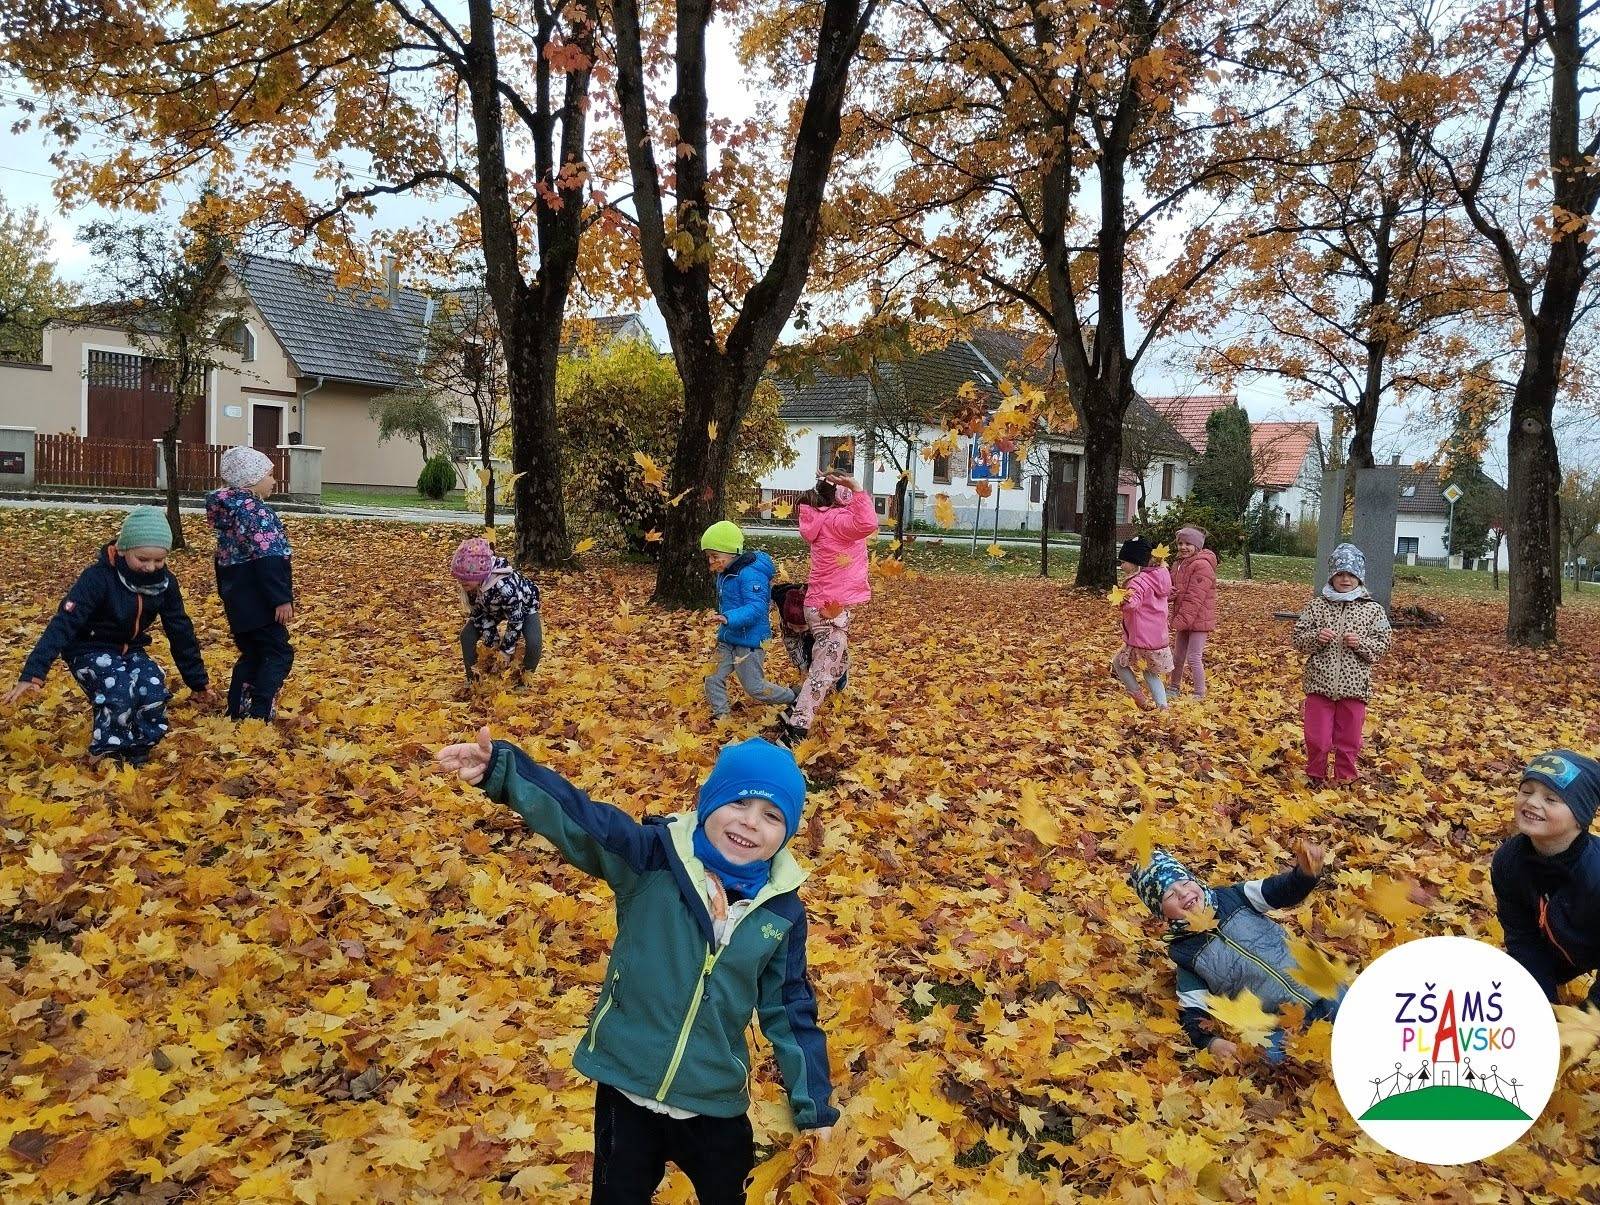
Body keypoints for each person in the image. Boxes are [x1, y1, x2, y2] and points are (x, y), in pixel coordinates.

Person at [434, 729, 838, 1203]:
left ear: (786, 833)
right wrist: (504, 771)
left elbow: (790, 1010)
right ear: (709, 802)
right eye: (739, 803)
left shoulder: (780, 911)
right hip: (626, 1089)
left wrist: (814, 1107)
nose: (751, 823)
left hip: (713, 1097)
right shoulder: (652, 859)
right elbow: (581, 820)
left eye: (772, 816)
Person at [6, 507, 210, 765]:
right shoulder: (98, 578)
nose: (151, 567)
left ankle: (140, 745)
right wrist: (33, 673)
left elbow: (180, 629)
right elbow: (64, 623)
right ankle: (108, 751)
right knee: (118, 689)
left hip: (130, 648)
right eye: (143, 559)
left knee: (153, 688)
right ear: (123, 550)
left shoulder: (165, 583)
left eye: (159, 560)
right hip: (88, 648)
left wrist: (197, 681)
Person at [1129, 841, 1343, 1063]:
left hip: (1320, 990)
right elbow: (1192, 1012)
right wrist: (1211, 1042)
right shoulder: (1185, 953)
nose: (1183, 893)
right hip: (1282, 1024)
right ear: (1161, 913)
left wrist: (1304, 875)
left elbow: (1281, 890)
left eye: (1184, 883)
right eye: (1170, 895)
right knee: (1263, 1058)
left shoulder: (1235, 897)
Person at [1491, 750, 1600, 1011]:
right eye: (1526, 791)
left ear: (1580, 817)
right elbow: (1523, 939)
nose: (1532, 802)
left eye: (1551, 799)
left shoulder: (1595, 874)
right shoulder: (1509, 861)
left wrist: (1586, 1019)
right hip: (1563, 948)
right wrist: (1542, 1008)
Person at [779, 474, 877, 745]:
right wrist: (858, 490)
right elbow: (868, 523)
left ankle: (792, 712)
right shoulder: (837, 522)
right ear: (841, 497)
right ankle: (796, 730)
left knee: (839, 661)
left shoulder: (822, 520)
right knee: (822, 672)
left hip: (822, 606)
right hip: (829, 611)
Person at [1290, 543, 1391, 785]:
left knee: (1350, 738)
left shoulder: (1373, 610)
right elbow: (1298, 638)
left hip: (1354, 687)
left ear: (1360, 577)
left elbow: (1383, 644)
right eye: (1340, 574)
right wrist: (1316, 638)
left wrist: (1361, 644)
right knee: (1317, 737)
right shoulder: (1317, 606)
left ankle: (1345, 777)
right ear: (1332, 576)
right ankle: (1315, 774)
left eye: (1351, 575)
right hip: (1319, 683)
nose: (1345, 579)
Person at [206, 446, 294, 720]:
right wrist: (281, 598)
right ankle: (260, 709)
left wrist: (228, 596)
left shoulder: (229, 515)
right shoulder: (257, 514)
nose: (274, 481)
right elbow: (270, 559)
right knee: (277, 653)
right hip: (261, 601)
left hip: (238, 600)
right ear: (251, 480)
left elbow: (221, 561)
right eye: (269, 475)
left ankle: (238, 708)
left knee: (253, 653)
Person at [700, 521, 794, 719]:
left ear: (732, 552)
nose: (711, 561)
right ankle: (721, 716)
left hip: (749, 641)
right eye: (708, 556)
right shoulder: (726, 573)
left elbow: (757, 608)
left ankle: (794, 696)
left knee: (755, 687)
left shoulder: (751, 574)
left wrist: (729, 617)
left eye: (715, 556)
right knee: (712, 676)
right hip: (728, 638)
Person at [450, 537, 541, 685]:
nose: (461, 582)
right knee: (466, 636)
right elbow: (479, 615)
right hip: (491, 607)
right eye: (459, 578)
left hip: (523, 605)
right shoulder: (471, 587)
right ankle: (473, 680)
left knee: (534, 643)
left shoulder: (505, 587)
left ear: (479, 574)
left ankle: (523, 681)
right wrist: (493, 644)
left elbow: (515, 620)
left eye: (465, 578)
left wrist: (505, 652)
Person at [1112, 537, 1172, 710]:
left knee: (1121, 664)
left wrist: (1123, 600)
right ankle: (1161, 707)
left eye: (1123, 562)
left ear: (1135, 563)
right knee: (1149, 673)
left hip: (1142, 638)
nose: (1121, 566)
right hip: (1155, 637)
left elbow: (1132, 604)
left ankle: (1142, 699)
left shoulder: (1138, 582)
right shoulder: (1158, 576)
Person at [1168, 526, 1217, 699]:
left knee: (1194, 657)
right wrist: (1169, 594)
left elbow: (1195, 598)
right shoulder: (1178, 564)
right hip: (1184, 617)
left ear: (1197, 546)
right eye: (1180, 543)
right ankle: (1173, 687)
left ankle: (1199, 693)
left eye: (1188, 544)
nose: (1183, 547)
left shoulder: (1202, 565)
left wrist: (1179, 620)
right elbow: (1174, 587)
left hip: (1199, 619)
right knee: (1178, 655)